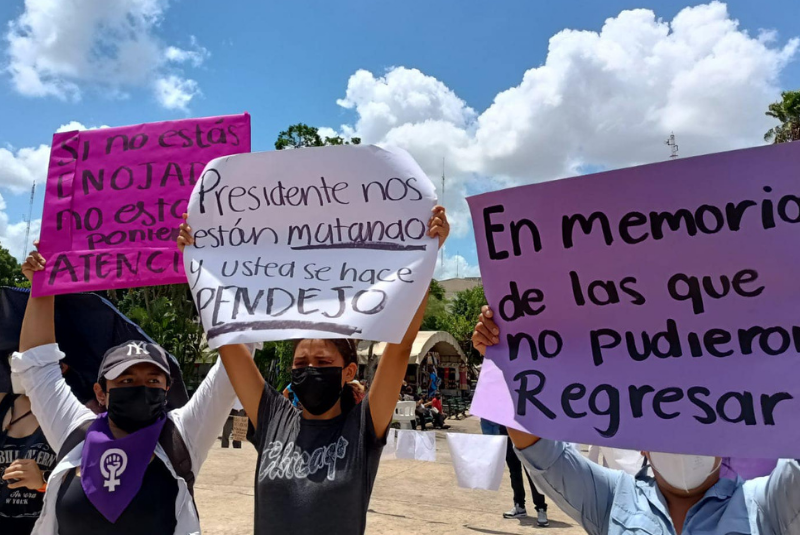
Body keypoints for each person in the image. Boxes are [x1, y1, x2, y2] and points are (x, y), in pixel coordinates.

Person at [178, 205, 449, 535]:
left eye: (322, 363)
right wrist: (198, 260)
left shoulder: (362, 426)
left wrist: (427, 254)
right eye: (301, 364)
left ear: (348, 371)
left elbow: (401, 346)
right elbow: (228, 343)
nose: (309, 370)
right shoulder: (273, 417)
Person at [472, 306, 800, 535]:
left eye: (699, 418)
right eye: (666, 419)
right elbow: (542, 453)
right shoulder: (610, 498)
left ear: (728, 433)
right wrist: (504, 357)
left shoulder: (767, 504)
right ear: (640, 440)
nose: (681, 437)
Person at [10, 246, 254, 534]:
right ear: (101, 393)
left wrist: (223, 269)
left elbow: (232, 367)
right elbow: (38, 368)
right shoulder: (74, 431)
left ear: (167, 389)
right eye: (125, 381)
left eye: (153, 381)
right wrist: (43, 287)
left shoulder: (182, 434)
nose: (141, 387)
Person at [1, 359, 57, 534]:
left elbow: (81, 480)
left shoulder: (70, 414)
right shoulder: (3, 403)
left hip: (41, 528)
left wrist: (43, 482)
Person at [479, 417, 548, 526]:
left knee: (532, 472)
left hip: (526, 429)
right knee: (514, 471)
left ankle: (541, 508)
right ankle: (519, 505)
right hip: (507, 429)